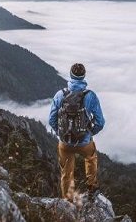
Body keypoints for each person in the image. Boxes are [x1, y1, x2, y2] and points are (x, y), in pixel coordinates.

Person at [49, 63, 105, 202]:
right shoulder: (90, 96)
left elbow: (51, 119)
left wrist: (60, 133)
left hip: (65, 143)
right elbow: (100, 122)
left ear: (70, 75)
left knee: (66, 173)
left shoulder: (60, 94)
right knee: (91, 158)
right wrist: (90, 132)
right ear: (84, 76)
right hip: (84, 141)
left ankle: (67, 201)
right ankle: (92, 188)